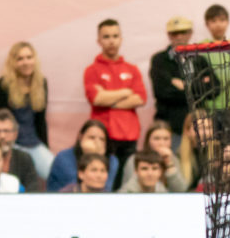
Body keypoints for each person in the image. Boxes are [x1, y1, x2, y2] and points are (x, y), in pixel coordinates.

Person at [84, 19, 147, 179]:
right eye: (106, 37)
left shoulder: (132, 69)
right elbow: (96, 99)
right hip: (104, 135)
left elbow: (140, 98)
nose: (111, 41)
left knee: (127, 180)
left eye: (115, 36)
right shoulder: (92, 70)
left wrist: (108, 98)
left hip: (130, 135)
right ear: (99, 41)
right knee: (104, 180)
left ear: (121, 39)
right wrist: (126, 91)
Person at [0, 41, 53, 180]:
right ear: (13, 63)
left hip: (34, 142)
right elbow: (0, 120)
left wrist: (45, 148)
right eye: (20, 59)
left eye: (29, 57)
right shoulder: (4, 84)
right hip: (12, 144)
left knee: (55, 172)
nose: (25, 62)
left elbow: (41, 121)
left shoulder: (41, 82)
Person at [150, 16, 210, 145]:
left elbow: (213, 89)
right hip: (170, 126)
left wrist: (184, 86)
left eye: (183, 32)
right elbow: (162, 92)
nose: (179, 36)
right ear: (169, 35)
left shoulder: (200, 60)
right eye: (174, 33)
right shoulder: (159, 60)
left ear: (190, 33)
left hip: (197, 128)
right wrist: (198, 86)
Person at [46, 118, 119, 192]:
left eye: (102, 139)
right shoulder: (64, 158)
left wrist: (99, 158)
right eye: (92, 138)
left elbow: (104, 188)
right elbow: (79, 188)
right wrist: (93, 156)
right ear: (81, 137)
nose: (97, 143)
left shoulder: (112, 160)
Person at [118, 120, 189, 192]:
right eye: (156, 139)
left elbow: (181, 190)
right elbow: (128, 190)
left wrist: (169, 164)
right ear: (148, 140)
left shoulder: (173, 160)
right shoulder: (134, 159)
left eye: (166, 139)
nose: (161, 143)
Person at [0, 110, 41, 192]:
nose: (2, 136)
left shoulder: (24, 158)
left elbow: (33, 191)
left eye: (6, 131)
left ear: (15, 134)